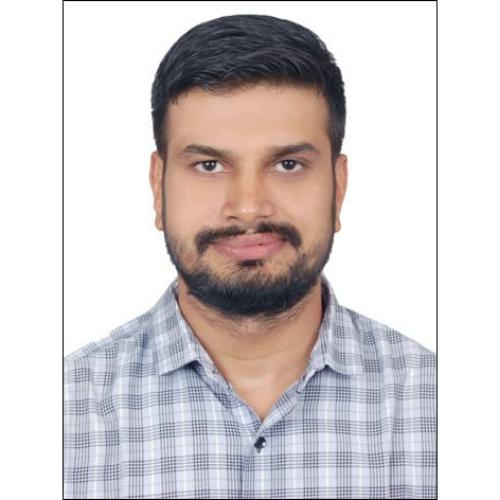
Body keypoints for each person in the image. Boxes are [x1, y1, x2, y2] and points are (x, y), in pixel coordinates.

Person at [64, 14, 436, 499]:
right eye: (209, 165)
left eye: (288, 164)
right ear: (158, 187)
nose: (248, 206)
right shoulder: (61, 415)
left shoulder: (440, 408)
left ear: (338, 187)